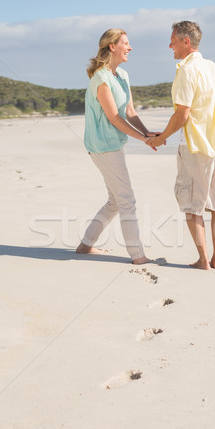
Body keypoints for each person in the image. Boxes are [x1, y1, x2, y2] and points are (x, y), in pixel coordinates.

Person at [149, 21, 215, 270]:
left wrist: (161, 137)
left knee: (192, 205)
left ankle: (203, 261)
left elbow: (182, 115)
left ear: (186, 42)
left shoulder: (185, 70)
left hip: (195, 148)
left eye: (173, 40)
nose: (170, 45)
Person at [76, 28, 158, 264]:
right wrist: (143, 140)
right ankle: (138, 256)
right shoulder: (101, 78)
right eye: (126, 43)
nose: (130, 48)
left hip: (114, 144)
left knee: (115, 200)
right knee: (126, 200)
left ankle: (85, 246)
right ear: (112, 46)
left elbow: (129, 112)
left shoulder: (122, 76)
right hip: (102, 147)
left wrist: (147, 132)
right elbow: (114, 117)